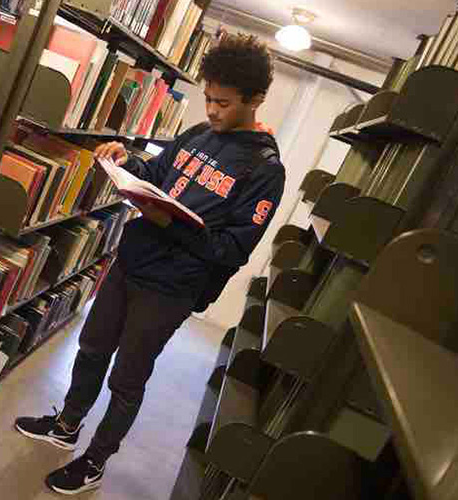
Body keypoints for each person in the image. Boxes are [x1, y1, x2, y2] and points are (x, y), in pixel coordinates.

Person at [14, 33, 286, 495]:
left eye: (223, 103)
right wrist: (129, 162)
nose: (212, 111)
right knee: (93, 347)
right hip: (130, 262)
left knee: (127, 377)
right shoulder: (200, 134)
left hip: (171, 288)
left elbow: (232, 250)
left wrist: (168, 223)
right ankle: (67, 424)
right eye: (208, 98)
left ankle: (96, 460)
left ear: (255, 99)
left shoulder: (264, 170)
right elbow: (158, 176)